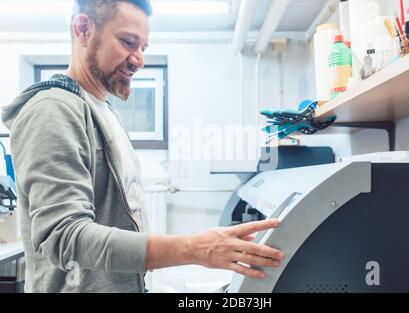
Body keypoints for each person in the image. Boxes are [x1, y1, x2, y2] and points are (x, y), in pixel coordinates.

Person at [1, 0, 284, 293]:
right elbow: (65, 237)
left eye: (143, 48)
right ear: (84, 29)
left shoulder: (106, 113)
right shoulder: (53, 110)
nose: (138, 59)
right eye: (128, 42)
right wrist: (194, 248)